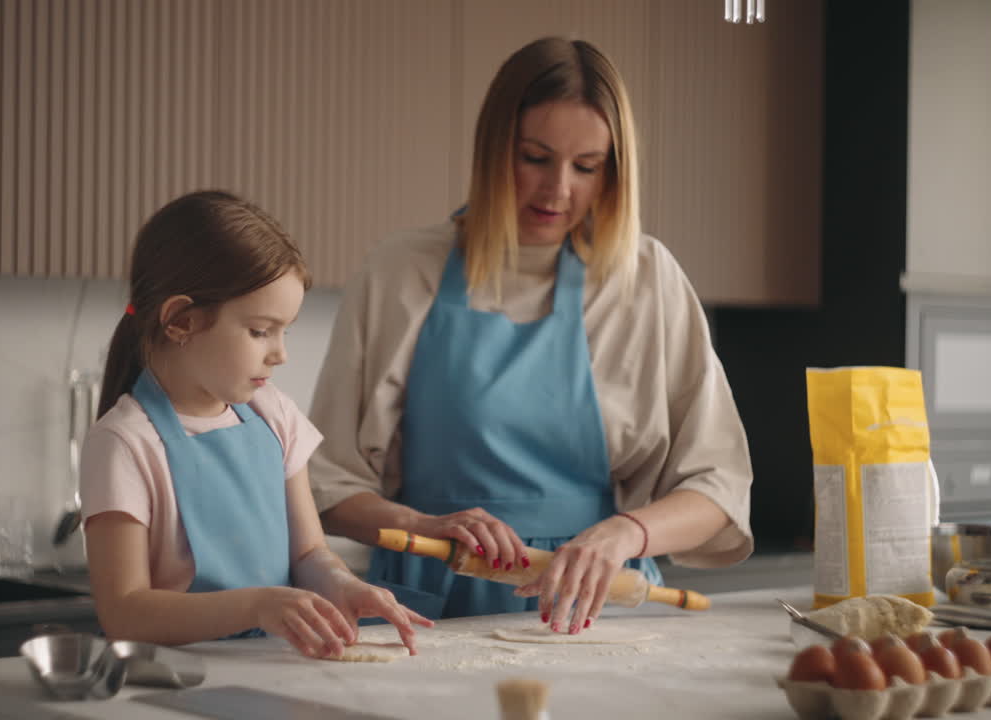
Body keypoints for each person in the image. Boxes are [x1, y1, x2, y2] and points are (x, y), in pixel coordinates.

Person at [308, 37, 754, 633]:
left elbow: (719, 488)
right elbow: (328, 487)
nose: (558, 190)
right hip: (425, 606)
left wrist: (626, 533)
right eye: (535, 158)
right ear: (494, 150)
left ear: (615, 170)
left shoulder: (645, 281)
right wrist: (422, 527)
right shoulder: (399, 272)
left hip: (594, 610)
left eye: (587, 167)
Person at [80, 190, 432, 658]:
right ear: (180, 320)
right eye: (260, 331)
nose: (280, 353)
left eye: (284, 330)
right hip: (173, 689)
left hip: (274, 674)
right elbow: (124, 612)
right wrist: (257, 606)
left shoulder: (275, 415)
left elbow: (308, 555)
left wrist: (343, 585)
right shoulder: (125, 442)